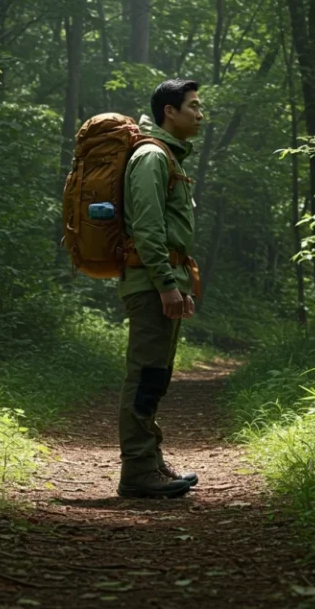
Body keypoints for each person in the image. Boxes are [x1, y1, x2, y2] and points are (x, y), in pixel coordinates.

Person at [117, 79, 204, 499]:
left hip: (163, 280)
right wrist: (167, 284)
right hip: (151, 282)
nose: (200, 114)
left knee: (157, 376)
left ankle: (149, 462)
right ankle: (137, 472)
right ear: (169, 111)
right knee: (145, 375)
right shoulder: (152, 156)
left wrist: (179, 285)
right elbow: (148, 229)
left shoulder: (168, 156)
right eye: (193, 106)